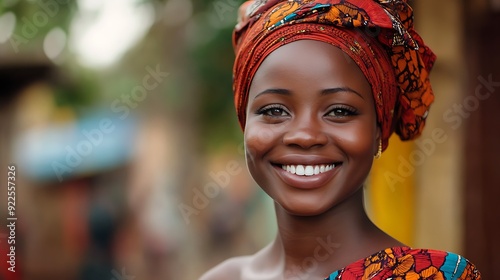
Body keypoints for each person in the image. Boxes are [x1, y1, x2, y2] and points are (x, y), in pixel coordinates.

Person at [201, 0, 481, 279]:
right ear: (245, 123)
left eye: (339, 111)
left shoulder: (433, 276)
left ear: (377, 130)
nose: (305, 135)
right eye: (274, 110)